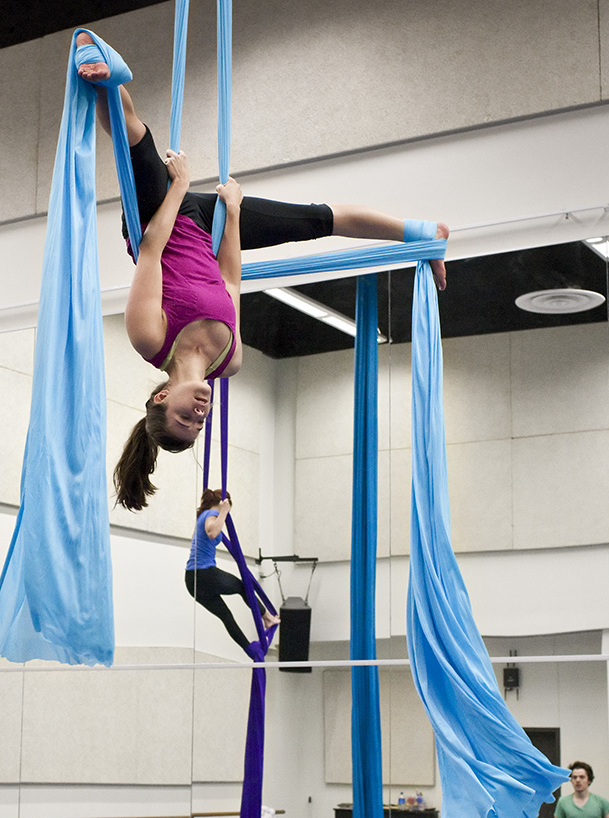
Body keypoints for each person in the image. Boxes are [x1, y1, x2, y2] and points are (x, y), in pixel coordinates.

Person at [76, 34, 449, 511]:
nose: (197, 417)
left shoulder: (149, 339)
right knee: (314, 221)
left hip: (156, 217)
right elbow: (230, 281)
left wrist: (183, 185)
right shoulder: (228, 360)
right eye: (197, 426)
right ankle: (422, 232)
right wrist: (231, 213)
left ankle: (106, 75)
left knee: (135, 143)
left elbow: (150, 250)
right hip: (210, 231)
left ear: (161, 397)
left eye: (183, 419)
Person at [185, 489, 278, 658]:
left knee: (226, 616)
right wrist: (224, 511)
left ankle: (250, 650)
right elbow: (212, 532)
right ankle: (267, 617)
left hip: (192, 581)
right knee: (244, 588)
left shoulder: (202, 516)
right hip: (204, 573)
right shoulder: (211, 514)